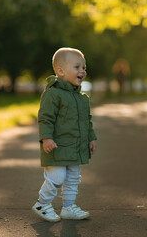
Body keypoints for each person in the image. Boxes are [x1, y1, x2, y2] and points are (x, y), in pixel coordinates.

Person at [32, 47, 97, 222]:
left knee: (73, 178)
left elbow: (86, 120)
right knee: (57, 177)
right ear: (60, 71)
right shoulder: (53, 94)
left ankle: (68, 207)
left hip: (75, 147)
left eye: (84, 68)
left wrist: (91, 137)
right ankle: (42, 203)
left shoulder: (82, 98)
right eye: (77, 67)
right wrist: (46, 138)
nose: (82, 71)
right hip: (56, 146)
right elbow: (45, 118)